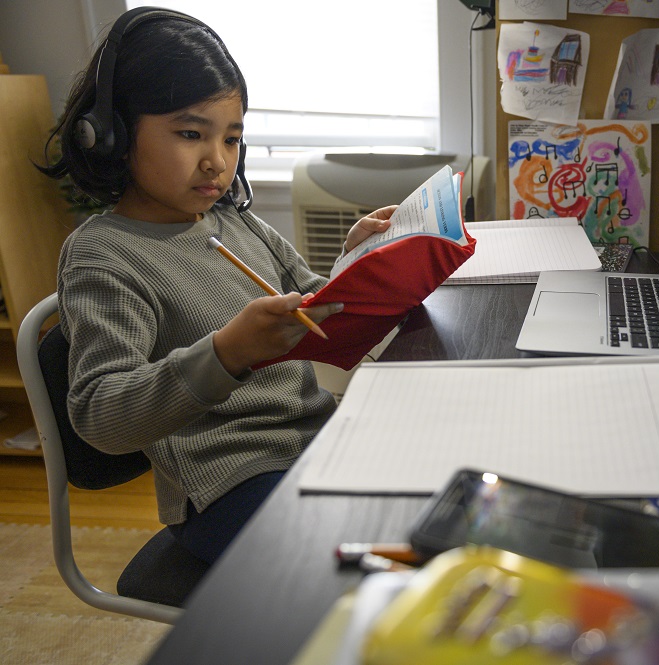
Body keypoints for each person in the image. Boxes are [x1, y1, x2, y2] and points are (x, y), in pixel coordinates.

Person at [38, 8, 393, 564]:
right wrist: (227, 354)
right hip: (225, 486)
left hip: (313, 442)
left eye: (232, 139)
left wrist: (361, 257)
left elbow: (317, 306)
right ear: (112, 137)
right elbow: (100, 416)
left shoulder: (235, 221)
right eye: (189, 134)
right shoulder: (103, 257)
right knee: (360, 566)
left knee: (432, 498)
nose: (217, 162)